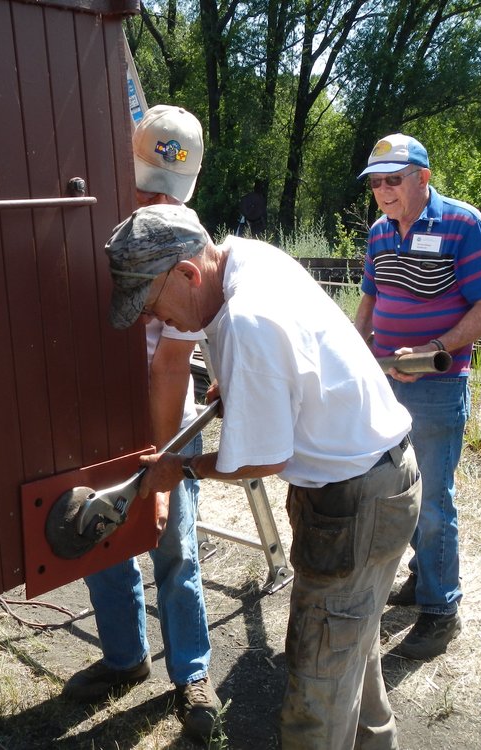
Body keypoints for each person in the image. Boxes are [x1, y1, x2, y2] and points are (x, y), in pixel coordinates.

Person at [103, 203, 422, 750]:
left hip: (358, 501)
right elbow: (294, 363)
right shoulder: (246, 257)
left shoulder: (248, 318)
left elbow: (260, 460)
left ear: (187, 273)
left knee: (315, 690)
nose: (158, 323)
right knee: (350, 653)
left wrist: (180, 469)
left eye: (154, 307)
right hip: (376, 481)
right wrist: (246, 390)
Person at [62, 105, 220, 742]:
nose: (156, 197)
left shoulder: (191, 239)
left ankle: (192, 674)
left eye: (165, 188)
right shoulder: (102, 221)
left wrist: (160, 457)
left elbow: (172, 363)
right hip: (103, 408)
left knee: (173, 545)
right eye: (147, 183)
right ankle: (126, 658)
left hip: (165, 412)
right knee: (104, 540)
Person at [353, 133, 481, 660]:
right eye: (376, 182)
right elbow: (371, 299)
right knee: (402, 489)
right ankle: (423, 578)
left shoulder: (462, 224)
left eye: (393, 179)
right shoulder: (378, 233)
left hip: (437, 383)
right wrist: (358, 350)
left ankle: (442, 612)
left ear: (423, 177)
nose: (383, 191)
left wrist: (436, 349)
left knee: (435, 499)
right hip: (388, 381)